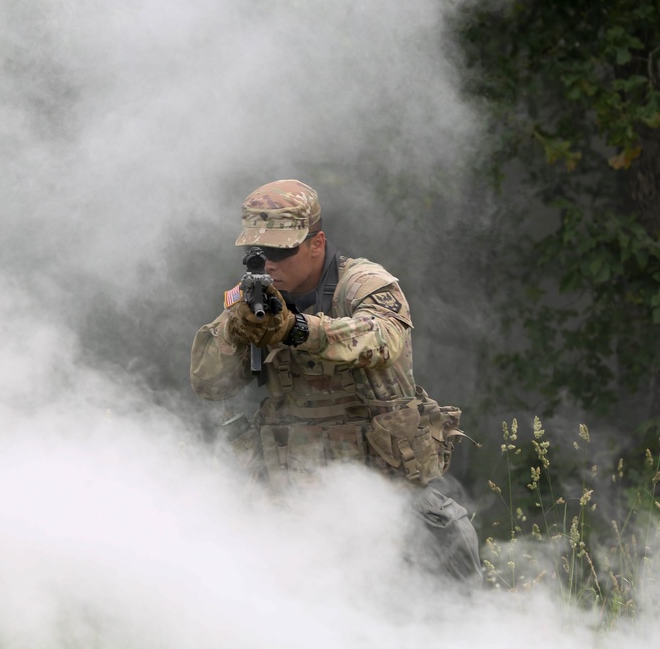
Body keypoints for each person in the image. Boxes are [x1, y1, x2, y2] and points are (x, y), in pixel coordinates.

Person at [190, 179, 482, 585]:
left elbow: (381, 339)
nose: (269, 263)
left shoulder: (365, 284)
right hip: (295, 515)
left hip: (390, 508)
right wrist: (236, 332)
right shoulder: (251, 301)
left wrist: (297, 329)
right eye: (256, 253)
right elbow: (207, 383)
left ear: (316, 242)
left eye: (281, 250)